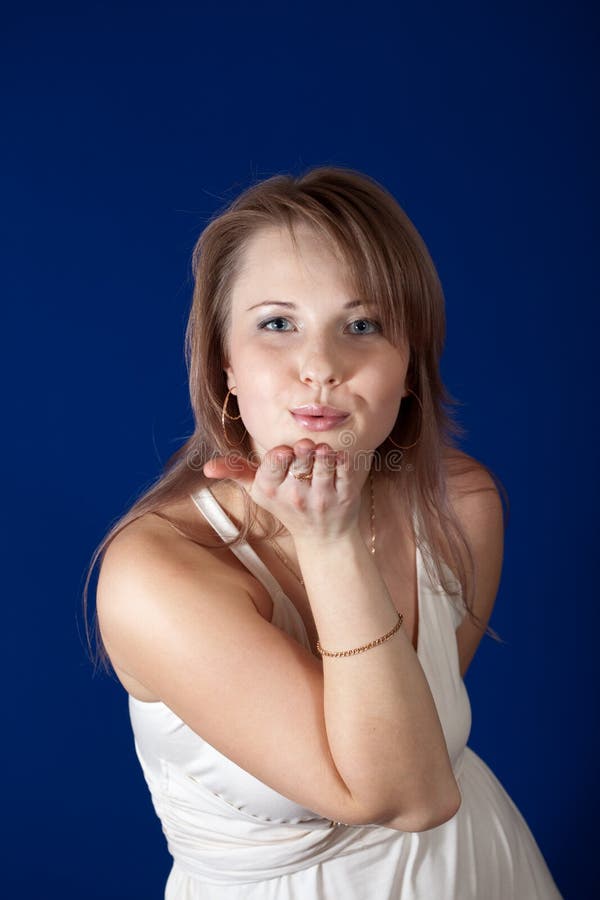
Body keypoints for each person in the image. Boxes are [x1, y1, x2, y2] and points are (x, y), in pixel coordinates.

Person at [85, 166, 562, 898]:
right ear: (226, 366)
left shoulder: (459, 502)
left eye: (363, 325)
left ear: (408, 369)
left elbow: (408, 741)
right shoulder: (156, 574)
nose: (320, 367)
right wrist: (330, 540)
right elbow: (409, 796)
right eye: (277, 324)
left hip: (479, 872)